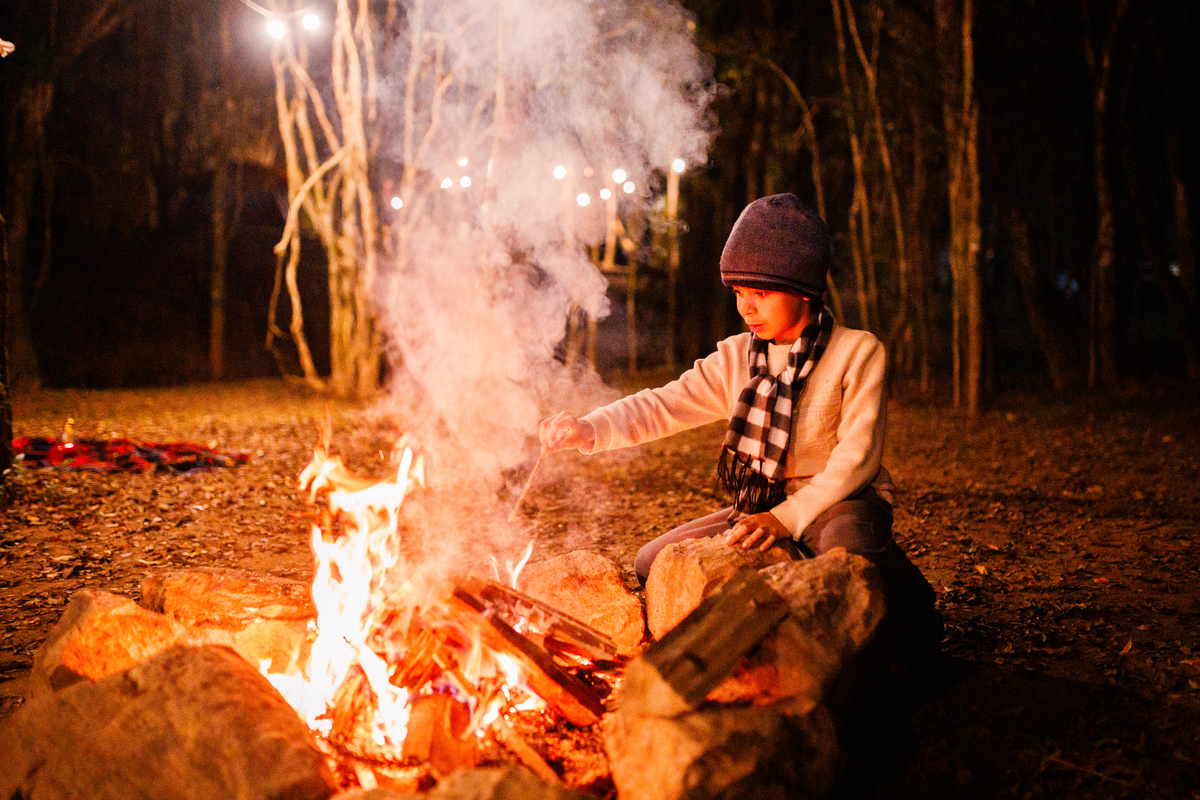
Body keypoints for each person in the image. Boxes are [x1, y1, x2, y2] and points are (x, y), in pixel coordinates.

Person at [540, 193, 939, 645]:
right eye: (739, 294)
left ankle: (914, 628)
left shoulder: (857, 353)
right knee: (652, 561)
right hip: (760, 503)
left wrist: (787, 520)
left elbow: (857, 460)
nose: (746, 308)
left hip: (840, 502)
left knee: (847, 545)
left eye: (761, 294)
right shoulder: (737, 357)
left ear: (804, 288)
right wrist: (589, 428)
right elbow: (665, 404)